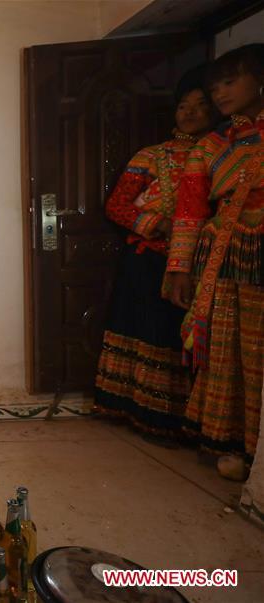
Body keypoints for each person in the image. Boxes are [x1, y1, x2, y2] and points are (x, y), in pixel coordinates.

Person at [94, 67, 216, 441]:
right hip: (149, 258)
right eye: (183, 106)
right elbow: (117, 205)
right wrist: (158, 225)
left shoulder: (224, 156)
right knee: (145, 329)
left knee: (178, 336)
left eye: (200, 106)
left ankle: (180, 419)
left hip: (203, 260)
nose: (190, 113)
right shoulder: (151, 156)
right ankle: (132, 408)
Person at [166, 44, 264, 480]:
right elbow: (189, 212)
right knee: (228, 350)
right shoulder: (212, 146)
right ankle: (235, 444)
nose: (221, 93)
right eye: (216, 85)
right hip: (224, 258)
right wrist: (179, 267)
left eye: (230, 81)